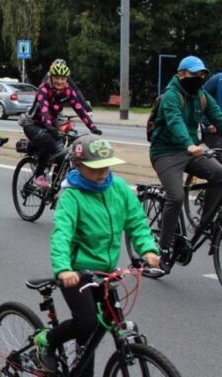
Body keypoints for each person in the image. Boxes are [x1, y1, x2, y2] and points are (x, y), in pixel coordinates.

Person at [33, 134, 160, 375]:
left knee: (107, 321)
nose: (102, 173)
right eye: (95, 169)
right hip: (76, 272)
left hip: (106, 271)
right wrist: (63, 269)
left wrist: (148, 249)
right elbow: (62, 234)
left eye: (106, 166)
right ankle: (46, 340)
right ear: (78, 166)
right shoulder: (72, 196)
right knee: (87, 323)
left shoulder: (119, 188)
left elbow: (137, 222)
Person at [149, 55, 222, 274]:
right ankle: (162, 249)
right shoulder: (171, 96)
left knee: (220, 174)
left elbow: (219, 117)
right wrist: (189, 144)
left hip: (191, 150)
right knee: (176, 196)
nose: (199, 78)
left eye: (202, 74)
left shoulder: (202, 96)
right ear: (181, 74)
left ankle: (206, 222)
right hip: (166, 153)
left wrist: (192, 146)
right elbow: (175, 122)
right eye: (194, 74)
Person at [24, 62, 99, 188]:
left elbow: (79, 109)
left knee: (62, 156)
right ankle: (39, 175)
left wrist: (93, 127)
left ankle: (53, 188)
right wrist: (48, 125)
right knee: (48, 141)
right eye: (57, 78)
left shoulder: (68, 91)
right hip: (33, 124)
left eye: (63, 79)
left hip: (50, 125)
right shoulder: (44, 88)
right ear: (51, 78)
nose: (59, 81)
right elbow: (44, 109)